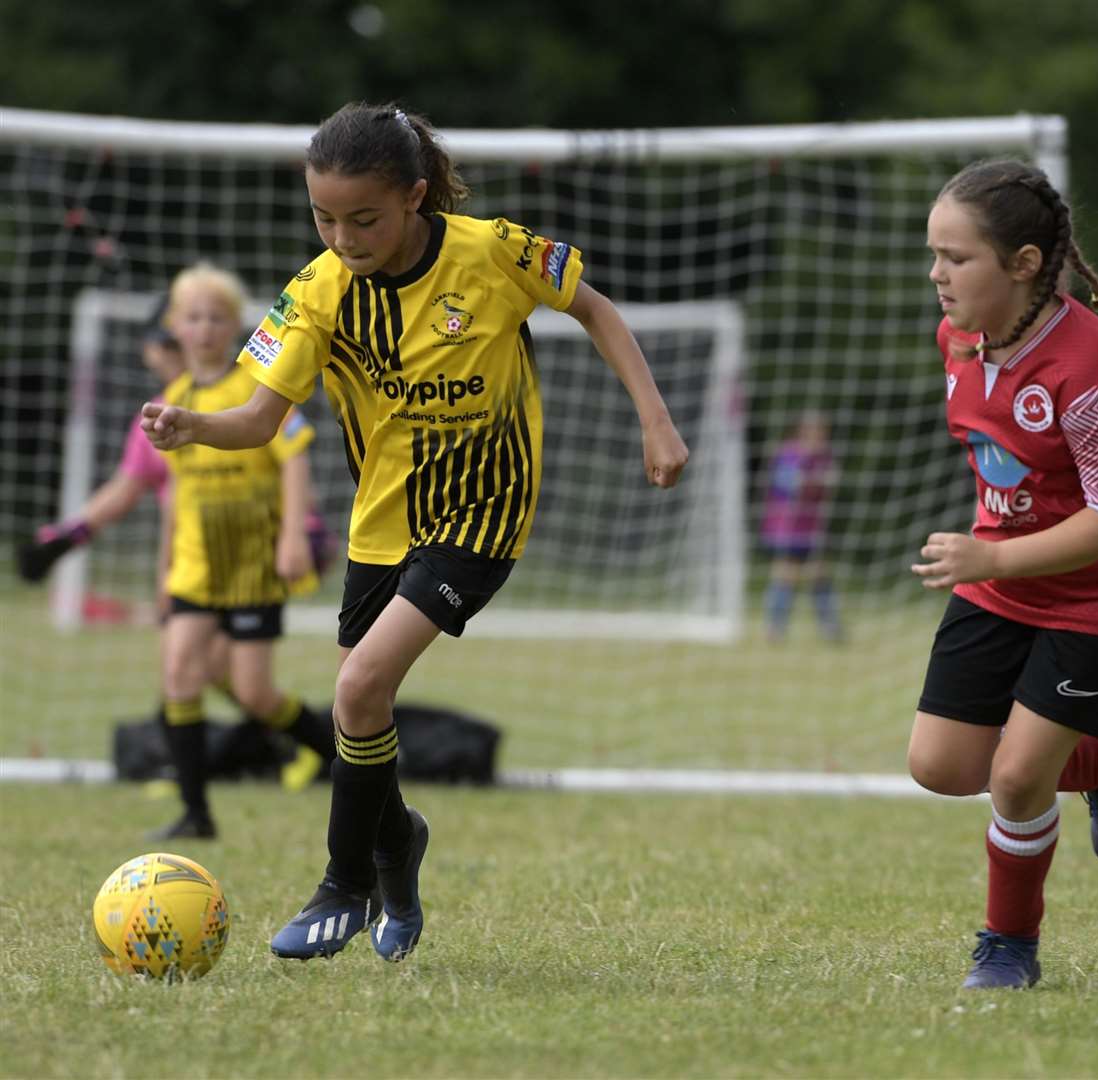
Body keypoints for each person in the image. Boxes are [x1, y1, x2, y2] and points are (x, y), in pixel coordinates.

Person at [142, 103, 689, 963]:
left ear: (415, 198)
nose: (342, 236)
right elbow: (255, 418)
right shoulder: (317, 291)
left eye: (363, 218)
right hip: (381, 523)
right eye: (323, 218)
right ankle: (399, 844)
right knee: (366, 709)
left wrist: (655, 422)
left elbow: (598, 312)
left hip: (484, 511)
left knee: (358, 687)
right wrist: (190, 425)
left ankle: (344, 880)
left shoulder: (492, 251)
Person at [908, 159, 1098, 989]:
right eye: (934, 254)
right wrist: (994, 557)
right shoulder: (958, 337)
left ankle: (1008, 946)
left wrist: (988, 554)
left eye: (956, 258)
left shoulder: (1096, 371)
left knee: (1018, 777)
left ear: (1022, 264)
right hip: (1003, 577)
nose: (936, 274)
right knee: (941, 768)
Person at [148, 261, 337, 840]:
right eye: (193, 317)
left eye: (216, 318)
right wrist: (166, 567)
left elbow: (294, 453)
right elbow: (176, 491)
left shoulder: (255, 389)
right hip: (198, 566)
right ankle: (195, 813)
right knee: (181, 670)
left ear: (237, 326)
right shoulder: (175, 397)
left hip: (254, 566)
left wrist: (292, 537)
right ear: (175, 325)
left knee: (255, 692)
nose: (204, 329)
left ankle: (340, 754)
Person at [17, 303, 182, 589]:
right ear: (149, 350)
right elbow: (126, 487)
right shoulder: (153, 417)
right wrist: (70, 535)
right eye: (168, 344)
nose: (174, 354)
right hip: (184, 556)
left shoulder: (241, 402)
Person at [760, 410, 842, 642]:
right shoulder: (789, 454)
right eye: (816, 431)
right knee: (785, 574)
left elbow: (831, 482)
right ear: (803, 431)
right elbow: (785, 485)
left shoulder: (824, 456)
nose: (820, 437)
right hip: (786, 527)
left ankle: (830, 627)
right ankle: (774, 628)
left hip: (812, 528)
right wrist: (811, 477)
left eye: (823, 433)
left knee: (819, 574)